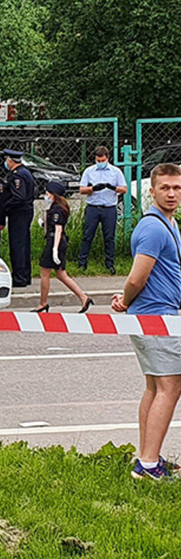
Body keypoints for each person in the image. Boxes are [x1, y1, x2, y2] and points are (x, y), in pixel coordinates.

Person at [111, 163, 181, 481]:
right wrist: (125, 299)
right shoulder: (153, 227)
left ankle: (146, 457)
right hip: (157, 318)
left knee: (155, 387)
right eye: (165, 188)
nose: (172, 193)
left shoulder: (168, 222)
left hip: (155, 316)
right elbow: (138, 277)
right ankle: (149, 464)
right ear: (151, 191)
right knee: (170, 387)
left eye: (177, 188)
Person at [33, 181, 92, 313]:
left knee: (45, 273)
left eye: (47, 194)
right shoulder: (57, 207)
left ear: (54, 195)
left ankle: (43, 303)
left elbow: (58, 229)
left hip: (55, 242)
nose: (45, 196)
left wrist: (54, 250)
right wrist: (44, 224)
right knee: (61, 275)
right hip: (57, 241)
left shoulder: (56, 209)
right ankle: (84, 298)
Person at [78, 145, 126, 274]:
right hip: (93, 207)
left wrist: (112, 188)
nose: (100, 163)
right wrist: (93, 189)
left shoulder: (115, 172)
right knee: (87, 235)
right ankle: (82, 263)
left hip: (109, 208)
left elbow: (124, 189)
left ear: (107, 158)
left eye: (102, 161)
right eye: (98, 161)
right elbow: (82, 189)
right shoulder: (89, 171)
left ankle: (109, 263)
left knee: (109, 237)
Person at [2, 149, 36, 287]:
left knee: (17, 245)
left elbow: (19, 197)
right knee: (24, 244)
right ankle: (25, 275)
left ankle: (19, 277)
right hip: (25, 212)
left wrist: (6, 206)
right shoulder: (25, 172)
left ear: (10, 161)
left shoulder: (17, 175)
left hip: (19, 213)